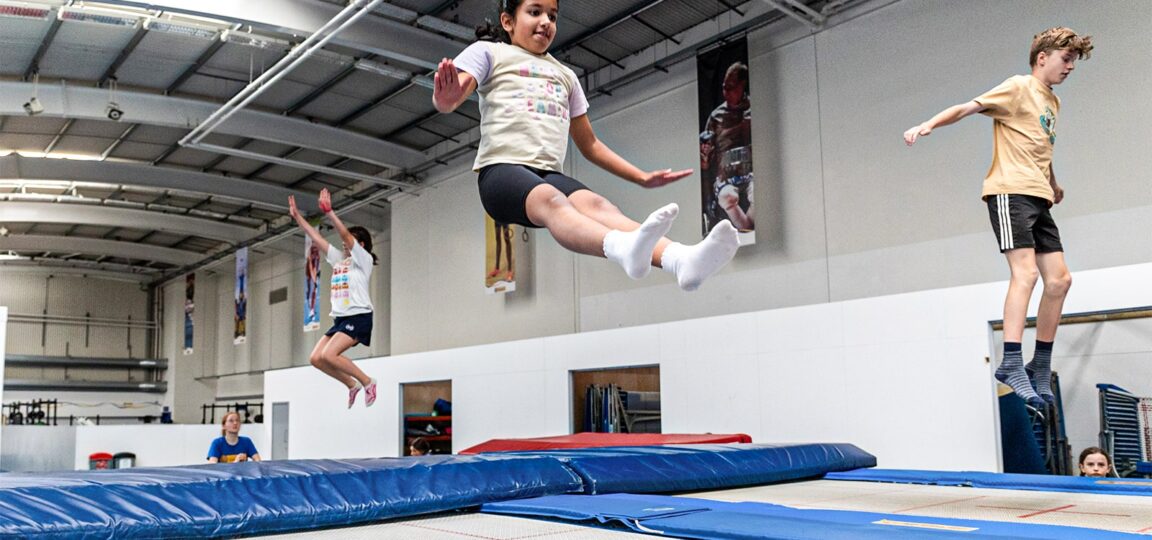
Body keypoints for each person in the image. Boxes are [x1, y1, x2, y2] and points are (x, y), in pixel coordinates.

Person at [432, 0, 740, 292]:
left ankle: (681, 260)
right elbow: (451, 97)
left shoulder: (565, 76)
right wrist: (446, 99)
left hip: (547, 173)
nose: (545, 22)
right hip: (501, 172)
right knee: (552, 201)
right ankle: (621, 247)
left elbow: (589, 144)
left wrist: (641, 178)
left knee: (601, 207)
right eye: (535, 12)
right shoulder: (489, 53)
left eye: (552, 16)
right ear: (508, 21)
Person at [903, 27, 1093, 408]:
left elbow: (1041, 148)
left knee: (1060, 280)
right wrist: (928, 125)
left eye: (1074, 61)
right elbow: (967, 107)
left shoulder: (1052, 102)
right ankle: (1010, 361)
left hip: (1038, 195)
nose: (1071, 67)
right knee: (1027, 273)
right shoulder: (1019, 86)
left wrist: (1053, 183)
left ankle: (1039, 364)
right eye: (1065, 59)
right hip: (1009, 191)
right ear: (1043, 57)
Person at [289, 188, 380, 408]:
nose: (343, 245)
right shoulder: (339, 260)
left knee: (330, 354)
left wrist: (330, 213)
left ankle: (368, 382)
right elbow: (315, 237)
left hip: (358, 316)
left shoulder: (363, 261)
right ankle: (351, 385)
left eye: (349, 242)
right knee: (316, 358)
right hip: (340, 320)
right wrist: (298, 218)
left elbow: (346, 237)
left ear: (361, 246)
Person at [700, 61, 753, 232]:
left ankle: (746, 228)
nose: (726, 93)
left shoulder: (754, 109)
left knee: (760, 195)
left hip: (752, 173)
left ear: (742, 85)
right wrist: (705, 158)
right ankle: (746, 228)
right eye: (724, 87)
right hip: (727, 177)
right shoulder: (716, 117)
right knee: (727, 197)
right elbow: (705, 161)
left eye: (731, 87)